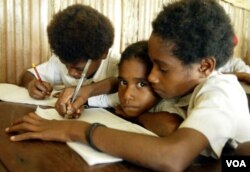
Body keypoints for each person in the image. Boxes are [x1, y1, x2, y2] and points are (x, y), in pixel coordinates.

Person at [6, 0, 250, 171]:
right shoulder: (181, 87)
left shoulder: (221, 91)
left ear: (205, 67)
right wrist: (87, 93)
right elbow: (115, 86)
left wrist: (74, 130)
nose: (152, 78)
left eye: (161, 68)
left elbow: (172, 158)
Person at [21, 4, 120, 117]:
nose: (70, 73)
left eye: (78, 68)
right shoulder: (64, 57)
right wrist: (31, 84)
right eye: (66, 66)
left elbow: (121, 88)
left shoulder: (117, 64)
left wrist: (87, 95)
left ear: (104, 54)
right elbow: (29, 74)